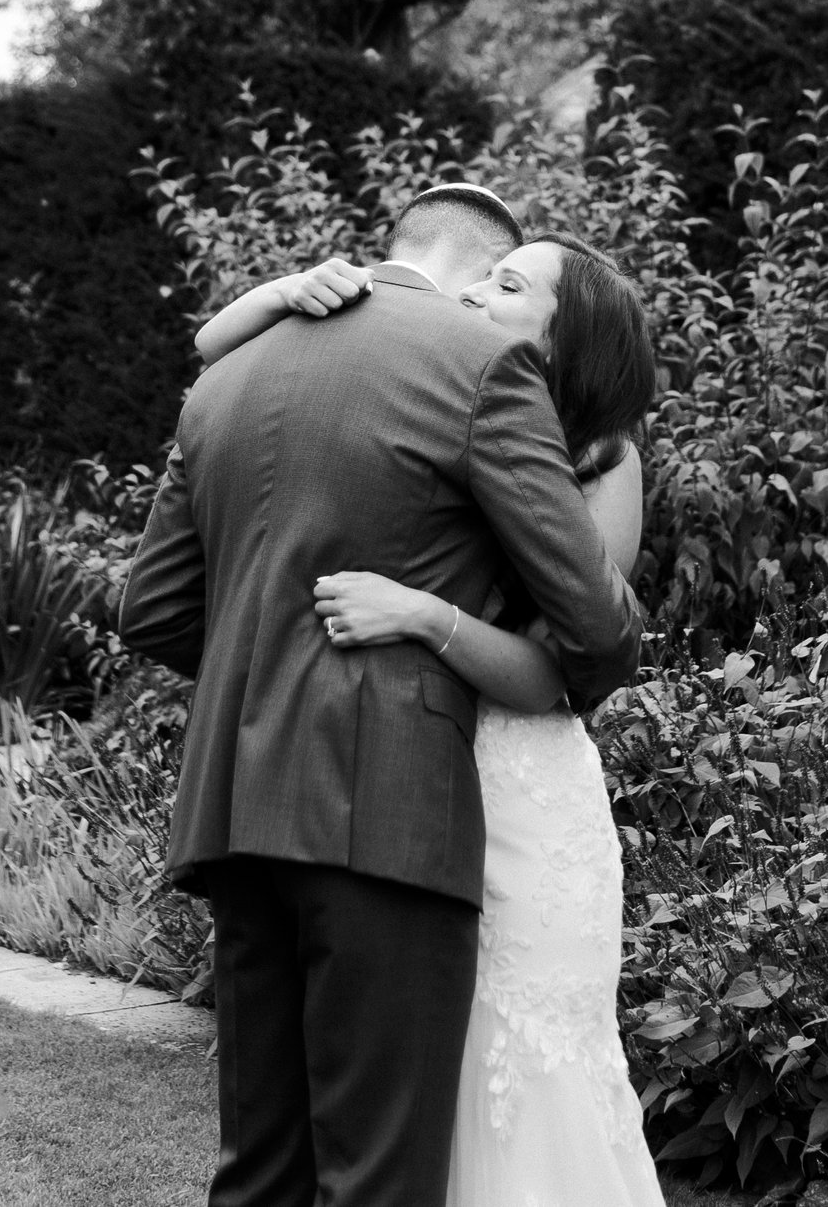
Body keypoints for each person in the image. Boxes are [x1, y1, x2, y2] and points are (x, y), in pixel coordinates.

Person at [117, 186, 645, 1207]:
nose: (492, 297)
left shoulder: (228, 375)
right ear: (470, 268)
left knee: (261, 1170)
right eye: (495, 275)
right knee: (379, 1178)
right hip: (388, 808)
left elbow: (151, 607)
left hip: (239, 804)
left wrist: (280, 669)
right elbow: (596, 628)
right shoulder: (477, 364)